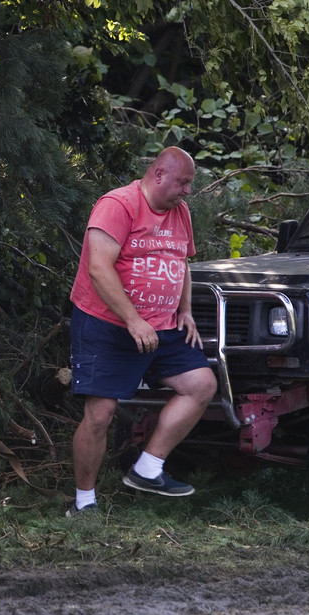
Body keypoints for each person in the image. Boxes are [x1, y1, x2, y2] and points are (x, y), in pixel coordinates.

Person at [66, 146, 217, 516]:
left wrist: (185, 309)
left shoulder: (181, 213)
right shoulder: (118, 205)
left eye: (190, 184)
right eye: (183, 182)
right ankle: (84, 504)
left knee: (202, 385)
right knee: (100, 415)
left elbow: (180, 260)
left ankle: (148, 469)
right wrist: (134, 320)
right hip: (109, 325)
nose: (187, 191)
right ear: (159, 175)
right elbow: (99, 268)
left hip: (162, 328)